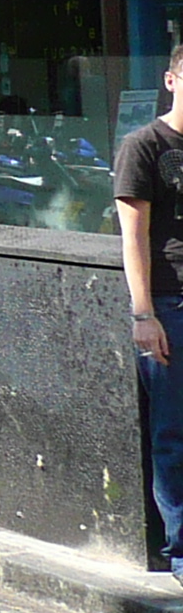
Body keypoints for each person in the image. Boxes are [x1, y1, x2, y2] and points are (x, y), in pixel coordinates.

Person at [117, 46, 183, 570]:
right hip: (171, 303)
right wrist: (144, 314)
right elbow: (133, 239)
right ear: (170, 79)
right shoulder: (144, 146)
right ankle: (181, 552)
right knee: (174, 434)